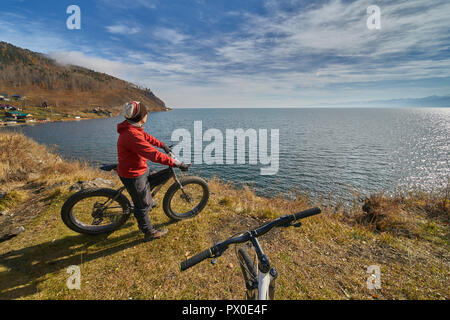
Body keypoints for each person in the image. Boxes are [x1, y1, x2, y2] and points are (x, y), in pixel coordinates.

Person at [117, 101, 188, 242]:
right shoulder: (132, 135)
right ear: (140, 116)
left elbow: (147, 137)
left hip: (139, 169)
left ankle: (147, 200)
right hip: (133, 174)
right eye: (145, 113)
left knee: (151, 178)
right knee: (141, 206)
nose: (147, 114)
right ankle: (149, 232)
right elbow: (153, 155)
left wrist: (163, 145)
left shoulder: (132, 128)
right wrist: (176, 163)